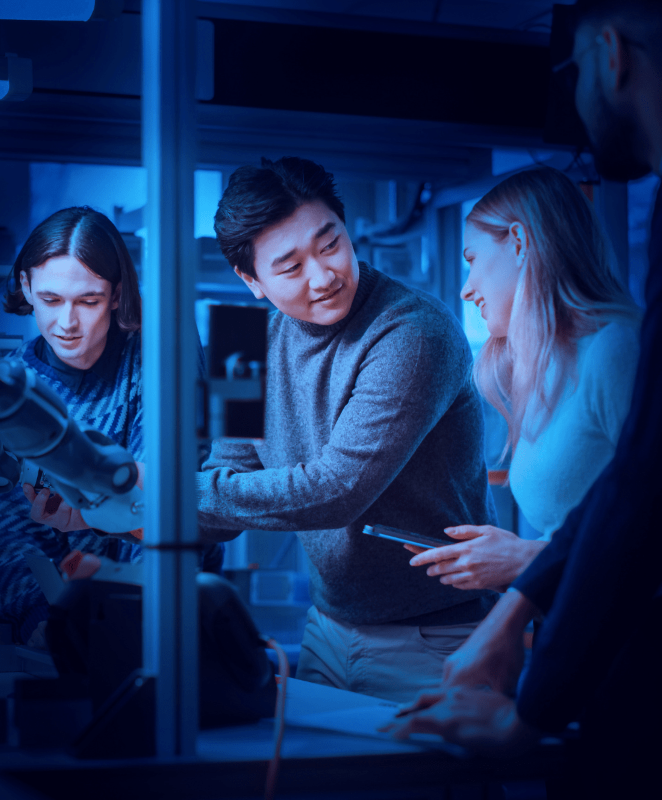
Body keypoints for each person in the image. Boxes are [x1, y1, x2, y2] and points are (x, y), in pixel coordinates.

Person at [390, 1, 662, 797]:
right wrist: (519, 614)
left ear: (611, 56)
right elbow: (636, 476)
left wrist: (529, 706)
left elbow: (657, 479)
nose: (468, 286)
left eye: (576, 72)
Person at [194, 156, 497, 706]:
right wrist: (126, 512)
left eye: (329, 243)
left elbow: (337, 491)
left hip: (434, 638)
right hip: (327, 630)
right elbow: (224, 489)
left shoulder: (413, 332)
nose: (323, 274)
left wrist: (164, 495)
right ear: (252, 281)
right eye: (289, 266)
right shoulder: (239, 342)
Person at [404, 166, 662, 596]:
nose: (466, 289)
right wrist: (518, 555)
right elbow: (573, 535)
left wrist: (526, 558)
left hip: (651, 643)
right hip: (582, 629)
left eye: (472, 260)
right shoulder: (545, 370)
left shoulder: (617, 350)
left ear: (519, 243)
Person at [0, 206, 219, 647]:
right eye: (50, 300)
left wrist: (133, 621)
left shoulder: (159, 361)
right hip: (44, 628)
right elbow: (3, 528)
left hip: (156, 617)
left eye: (87, 301)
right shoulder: (9, 391)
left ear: (115, 295)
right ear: (26, 287)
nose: (66, 324)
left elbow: (161, 509)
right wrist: (41, 619)